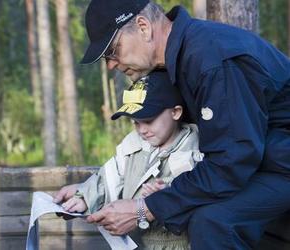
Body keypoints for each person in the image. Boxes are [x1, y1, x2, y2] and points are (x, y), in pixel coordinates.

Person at [62, 1, 290, 248]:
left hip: (279, 165)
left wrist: (144, 209)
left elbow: (232, 160)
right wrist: (88, 193)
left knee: (212, 222)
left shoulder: (210, 60)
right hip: (259, 161)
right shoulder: (175, 62)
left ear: (143, 27)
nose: (110, 65)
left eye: (113, 50)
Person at [56, 71, 199, 249]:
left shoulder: (192, 151)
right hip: (135, 242)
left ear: (176, 112)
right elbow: (109, 177)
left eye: (148, 120)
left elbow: (198, 193)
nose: (142, 130)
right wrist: (85, 196)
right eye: (136, 122)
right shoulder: (133, 145)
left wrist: (168, 192)